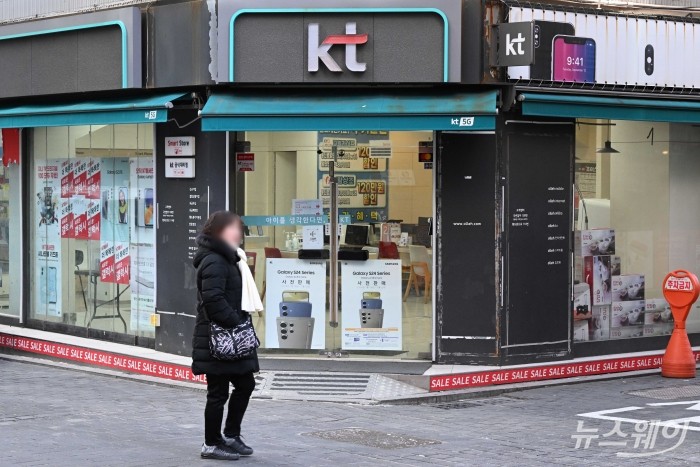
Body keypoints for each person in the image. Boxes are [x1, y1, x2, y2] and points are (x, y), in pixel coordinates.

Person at [192, 211, 264, 460]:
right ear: (221, 231)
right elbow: (213, 299)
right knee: (218, 392)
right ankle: (211, 444)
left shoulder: (230, 257)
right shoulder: (215, 260)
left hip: (228, 335)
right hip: (219, 337)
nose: (240, 233)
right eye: (235, 228)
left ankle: (231, 435)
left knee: (245, 384)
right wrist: (235, 324)